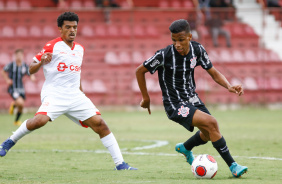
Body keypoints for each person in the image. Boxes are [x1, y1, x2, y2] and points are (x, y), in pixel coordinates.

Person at [0, 12, 137, 171]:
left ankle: (120, 164)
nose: (72, 30)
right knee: (39, 121)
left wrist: (81, 93)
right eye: (68, 27)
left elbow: (76, 73)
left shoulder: (80, 49)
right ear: (60, 29)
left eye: (75, 27)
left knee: (101, 125)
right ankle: (9, 141)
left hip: (75, 95)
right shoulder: (51, 46)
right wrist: (42, 61)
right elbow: (31, 69)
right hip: (55, 94)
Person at [135, 19, 247, 178]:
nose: (177, 44)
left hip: (192, 99)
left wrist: (228, 86)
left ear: (189, 37)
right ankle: (233, 166)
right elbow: (139, 71)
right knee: (212, 123)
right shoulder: (164, 55)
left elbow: (213, 72)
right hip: (174, 104)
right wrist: (145, 98)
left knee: (209, 133)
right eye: (174, 40)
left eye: (181, 40)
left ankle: (185, 147)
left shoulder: (198, 50)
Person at [1, 49, 36, 126]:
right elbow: (3, 71)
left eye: (20, 55)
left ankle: (16, 120)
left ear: (23, 56)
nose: (19, 57)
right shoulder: (11, 65)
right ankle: (15, 104)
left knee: (21, 105)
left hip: (21, 88)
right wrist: (7, 80)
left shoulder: (24, 66)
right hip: (13, 88)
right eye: (17, 55)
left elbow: (29, 73)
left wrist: (32, 77)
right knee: (20, 102)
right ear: (15, 56)